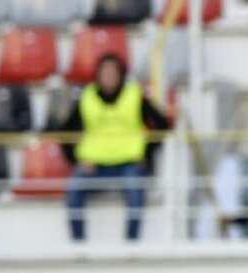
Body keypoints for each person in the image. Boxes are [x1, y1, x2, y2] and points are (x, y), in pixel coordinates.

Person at [62, 54, 169, 241]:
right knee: (73, 191)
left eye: (113, 73)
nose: (109, 77)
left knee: (136, 194)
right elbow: (64, 132)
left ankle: (130, 247)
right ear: (98, 75)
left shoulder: (134, 95)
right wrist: (76, 159)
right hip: (95, 164)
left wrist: (146, 153)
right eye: (105, 73)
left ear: (121, 75)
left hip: (129, 162)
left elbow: (162, 124)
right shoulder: (86, 97)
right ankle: (79, 247)